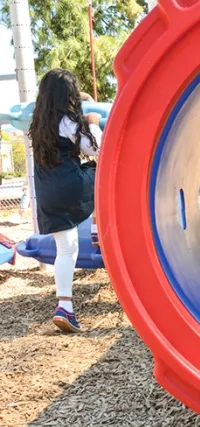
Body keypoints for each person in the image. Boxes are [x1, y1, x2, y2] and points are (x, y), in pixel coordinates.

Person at [28, 69, 102, 333]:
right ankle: (98, 230)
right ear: (66, 97)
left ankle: (65, 307)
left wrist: (81, 99)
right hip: (70, 185)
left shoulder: (39, 121)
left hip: (47, 193)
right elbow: (94, 148)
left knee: (67, 249)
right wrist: (92, 121)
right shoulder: (70, 122)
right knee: (101, 173)